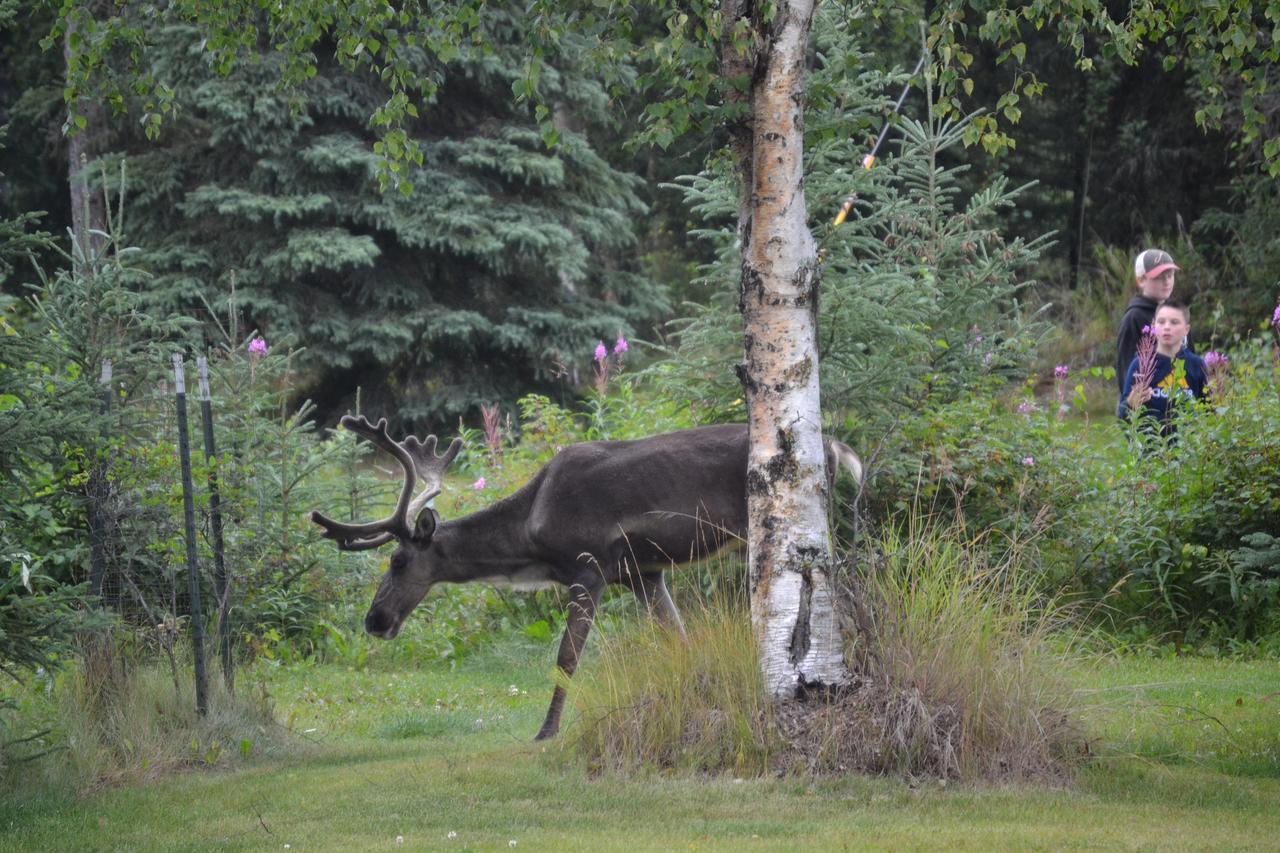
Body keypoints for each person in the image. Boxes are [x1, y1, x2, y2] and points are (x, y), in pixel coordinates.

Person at [1118, 300, 1207, 434]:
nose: (1166, 327)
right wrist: (1131, 404)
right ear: (1153, 325)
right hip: (1150, 449)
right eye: (1161, 321)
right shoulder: (1140, 364)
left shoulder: (1196, 365)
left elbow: (1208, 411)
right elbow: (1123, 417)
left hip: (1189, 449)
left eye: (1174, 322)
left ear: (1186, 330)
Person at [1115, 250, 1180, 417]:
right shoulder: (1134, 317)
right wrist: (1130, 407)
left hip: (1179, 406)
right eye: (1159, 277)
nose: (1166, 281)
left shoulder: (1177, 314)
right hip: (1147, 413)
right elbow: (1126, 369)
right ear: (1141, 280)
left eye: (1170, 275)